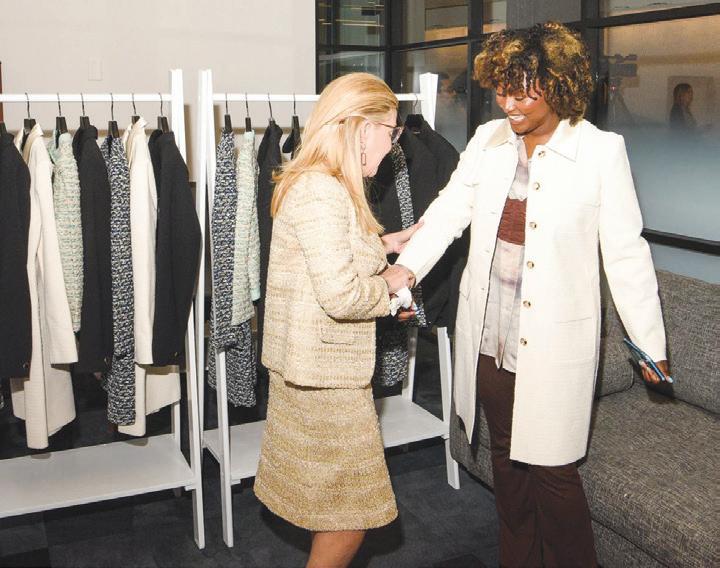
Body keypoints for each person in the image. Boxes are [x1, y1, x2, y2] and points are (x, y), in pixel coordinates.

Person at [396, 22, 669, 567]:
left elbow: (626, 252)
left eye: (525, 92)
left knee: (553, 472)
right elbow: (448, 213)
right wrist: (405, 270)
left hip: (554, 345)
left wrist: (649, 343)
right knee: (505, 461)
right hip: (489, 337)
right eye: (502, 90)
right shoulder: (487, 141)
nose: (510, 104)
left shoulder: (600, 151)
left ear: (560, 87)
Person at [253, 72, 417, 568]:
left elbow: (325, 256)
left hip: (312, 370)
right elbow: (341, 294)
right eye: (390, 131)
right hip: (325, 380)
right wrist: (391, 287)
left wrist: (384, 244)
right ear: (359, 128)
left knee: (330, 503)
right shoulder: (322, 190)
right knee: (350, 512)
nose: (392, 145)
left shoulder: (318, 182)